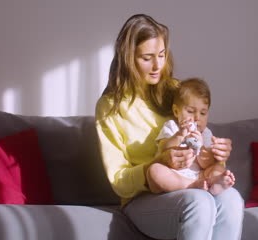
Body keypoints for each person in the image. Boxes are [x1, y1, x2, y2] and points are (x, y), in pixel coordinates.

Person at [95, 14, 244, 240]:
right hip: (143, 199)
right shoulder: (111, 107)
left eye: (161, 55)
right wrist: (158, 163)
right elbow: (119, 181)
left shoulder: (178, 90)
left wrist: (217, 155)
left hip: (192, 182)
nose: (157, 66)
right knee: (199, 201)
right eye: (147, 58)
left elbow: (199, 141)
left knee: (232, 198)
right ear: (128, 59)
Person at [149, 78, 236, 195]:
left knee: (217, 168)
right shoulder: (172, 126)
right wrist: (180, 135)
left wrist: (201, 147)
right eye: (190, 111)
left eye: (203, 113)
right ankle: (189, 185)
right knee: (155, 170)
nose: (197, 118)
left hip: (199, 176)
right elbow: (163, 148)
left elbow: (206, 163)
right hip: (175, 175)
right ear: (176, 111)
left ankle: (215, 183)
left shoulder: (206, 133)